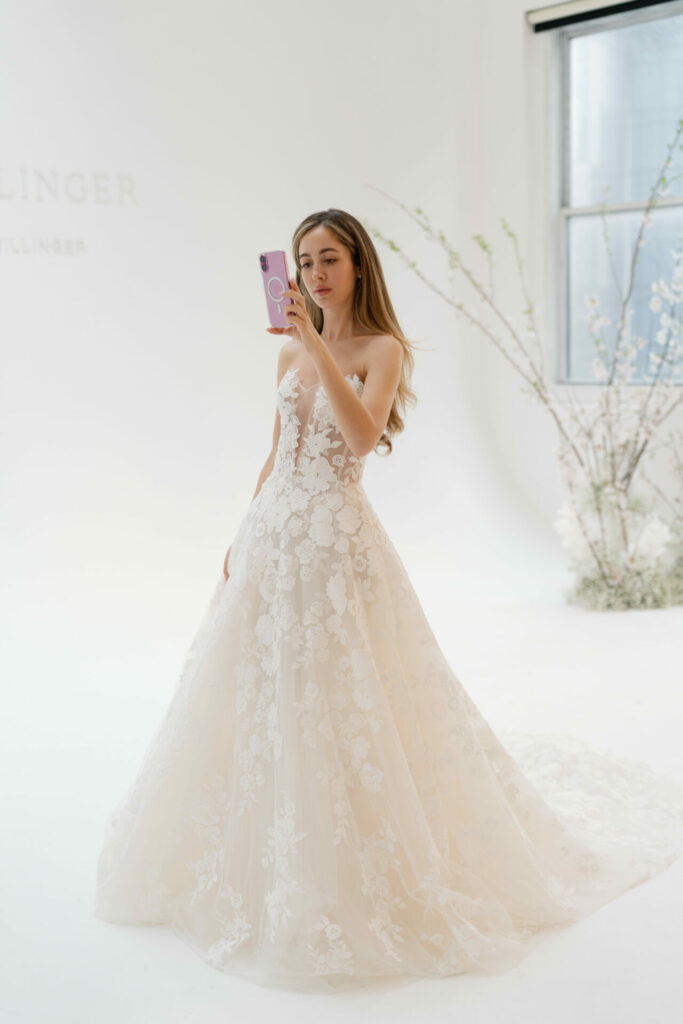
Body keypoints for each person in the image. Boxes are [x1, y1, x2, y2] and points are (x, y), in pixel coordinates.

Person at [94, 208, 683, 993]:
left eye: (328, 257)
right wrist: (244, 529)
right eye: (303, 261)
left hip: (338, 544)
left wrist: (313, 345)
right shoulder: (287, 361)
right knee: (260, 689)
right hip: (275, 539)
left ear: (358, 266)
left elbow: (362, 436)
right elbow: (275, 453)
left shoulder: (381, 350)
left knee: (348, 692)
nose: (314, 272)